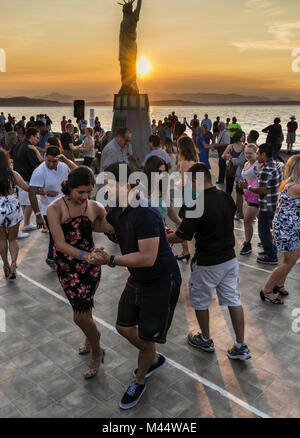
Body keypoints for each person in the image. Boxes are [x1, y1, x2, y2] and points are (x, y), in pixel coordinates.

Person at [91, 162, 181, 409]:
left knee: (146, 335)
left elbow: (147, 257)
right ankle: (151, 357)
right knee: (122, 325)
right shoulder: (119, 208)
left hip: (161, 280)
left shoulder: (146, 212)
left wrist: (109, 259)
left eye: (109, 183)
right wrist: (82, 211)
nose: (105, 188)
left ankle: (140, 379)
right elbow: (103, 225)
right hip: (138, 278)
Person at [167, 163, 251, 361]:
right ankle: (241, 345)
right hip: (229, 259)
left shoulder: (196, 204)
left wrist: (164, 238)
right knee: (233, 299)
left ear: (196, 180)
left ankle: (205, 339)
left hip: (207, 263)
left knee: (201, 301)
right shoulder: (225, 197)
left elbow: (181, 236)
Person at [47, 166, 112, 379]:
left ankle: (96, 350)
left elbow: (107, 226)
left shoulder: (94, 207)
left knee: (79, 316)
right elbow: (60, 244)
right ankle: (90, 336)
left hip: (89, 269)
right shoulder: (55, 209)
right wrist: (86, 255)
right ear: (70, 188)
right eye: (80, 192)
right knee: (83, 311)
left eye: (88, 192)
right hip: (67, 268)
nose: (84, 197)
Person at [260, 155, 300, 304]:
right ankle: (268, 290)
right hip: (286, 229)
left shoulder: (288, 183)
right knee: (289, 261)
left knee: (289, 259)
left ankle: (280, 284)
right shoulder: (295, 187)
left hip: (289, 227)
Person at [29, 147, 77, 270]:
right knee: (56, 236)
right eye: (48, 160)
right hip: (48, 209)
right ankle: (52, 259)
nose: (51, 164)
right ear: (44, 157)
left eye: (54, 161)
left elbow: (78, 171)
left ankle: (56, 257)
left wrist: (65, 160)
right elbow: (32, 193)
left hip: (66, 206)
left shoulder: (63, 166)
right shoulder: (39, 172)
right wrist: (38, 215)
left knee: (66, 235)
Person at [243, 143, 282, 265]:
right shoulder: (275, 164)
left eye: (259, 153)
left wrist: (247, 187)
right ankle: (270, 250)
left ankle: (271, 256)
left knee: (263, 231)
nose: (257, 155)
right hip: (274, 202)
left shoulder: (266, 168)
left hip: (266, 204)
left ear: (264, 154)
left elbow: (261, 190)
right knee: (268, 230)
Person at [0, 150, 37, 279]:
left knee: (1, 239)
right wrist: (42, 190)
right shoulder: (13, 175)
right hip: (12, 208)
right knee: (13, 239)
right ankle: (14, 264)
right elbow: (27, 188)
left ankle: (5, 264)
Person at [13, 127, 41, 234]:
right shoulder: (29, 148)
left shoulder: (18, 144)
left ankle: (26, 224)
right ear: (32, 137)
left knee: (24, 204)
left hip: (17, 178)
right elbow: (37, 165)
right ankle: (23, 226)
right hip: (26, 179)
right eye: (37, 138)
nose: (38, 140)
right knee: (30, 203)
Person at [176, 136, 199, 261]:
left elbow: (185, 182)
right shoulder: (196, 160)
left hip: (189, 197)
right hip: (197, 196)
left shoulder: (184, 162)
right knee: (196, 226)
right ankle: (197, 251)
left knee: (181, 225)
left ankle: (185, 251)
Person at [239, 144, 260, 255]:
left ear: (256, 153)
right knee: (262, 219)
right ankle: (268, 240)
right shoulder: (246, 163)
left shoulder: (258, 165)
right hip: (248, 194)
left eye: (250, 153)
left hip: (255, 196)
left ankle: (247, 244)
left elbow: (277, 164)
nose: (247, 155)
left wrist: (280, 164)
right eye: (246, 153)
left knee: (247, 220)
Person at [222, 130, 245, 195]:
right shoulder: (231, 146)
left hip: (240, 169)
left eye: (244, 136)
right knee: (229, 189)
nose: (243, 137)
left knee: (239, 190)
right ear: (238, 136)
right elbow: (223, 156)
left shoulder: (244, 147)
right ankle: (227, 202)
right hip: (230, 169)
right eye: (242, 135)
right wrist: (228, 157)